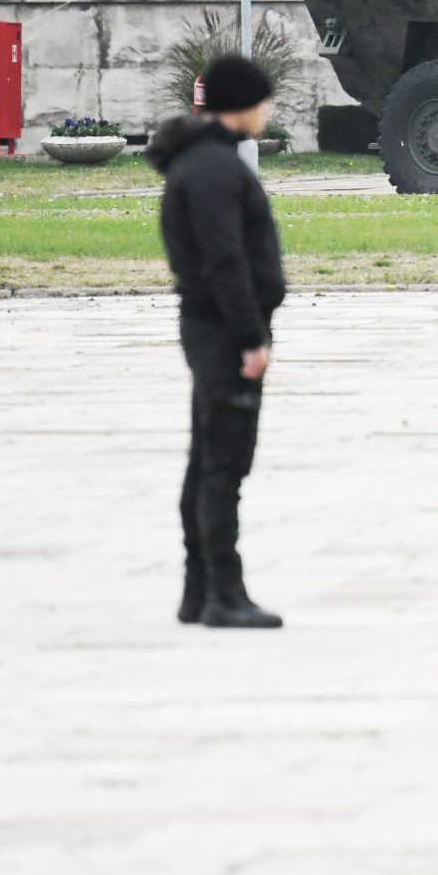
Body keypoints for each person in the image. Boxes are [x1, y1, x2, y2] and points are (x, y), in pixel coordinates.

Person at [147, 54, 287, 630]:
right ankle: (222, 594)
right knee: (222, 461)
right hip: (223, 331)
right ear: (242, 105)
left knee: (210, 454)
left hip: (217, 327)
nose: (269, 110)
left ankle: (198, 589)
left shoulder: (209, 162)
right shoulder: (211, 170)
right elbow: (225, 261)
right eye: (264, 100)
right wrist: (251, 338)